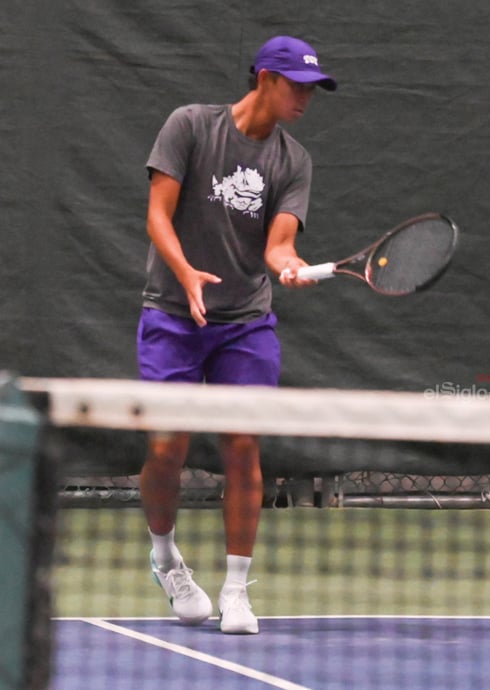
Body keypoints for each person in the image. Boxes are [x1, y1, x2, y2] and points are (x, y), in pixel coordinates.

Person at [136, 36, 337, 634]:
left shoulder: (293, 160)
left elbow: (278, 244)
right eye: (296, 84)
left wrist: (288, 267)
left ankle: (236, 589)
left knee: (244, 446)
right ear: (263, 78)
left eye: (312, 88)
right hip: (172, 314)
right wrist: (186, 275)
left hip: (245, 322)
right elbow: (156, 214)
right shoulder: (191, 126)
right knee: (166, 448)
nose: (305, 96)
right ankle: (166, 558)